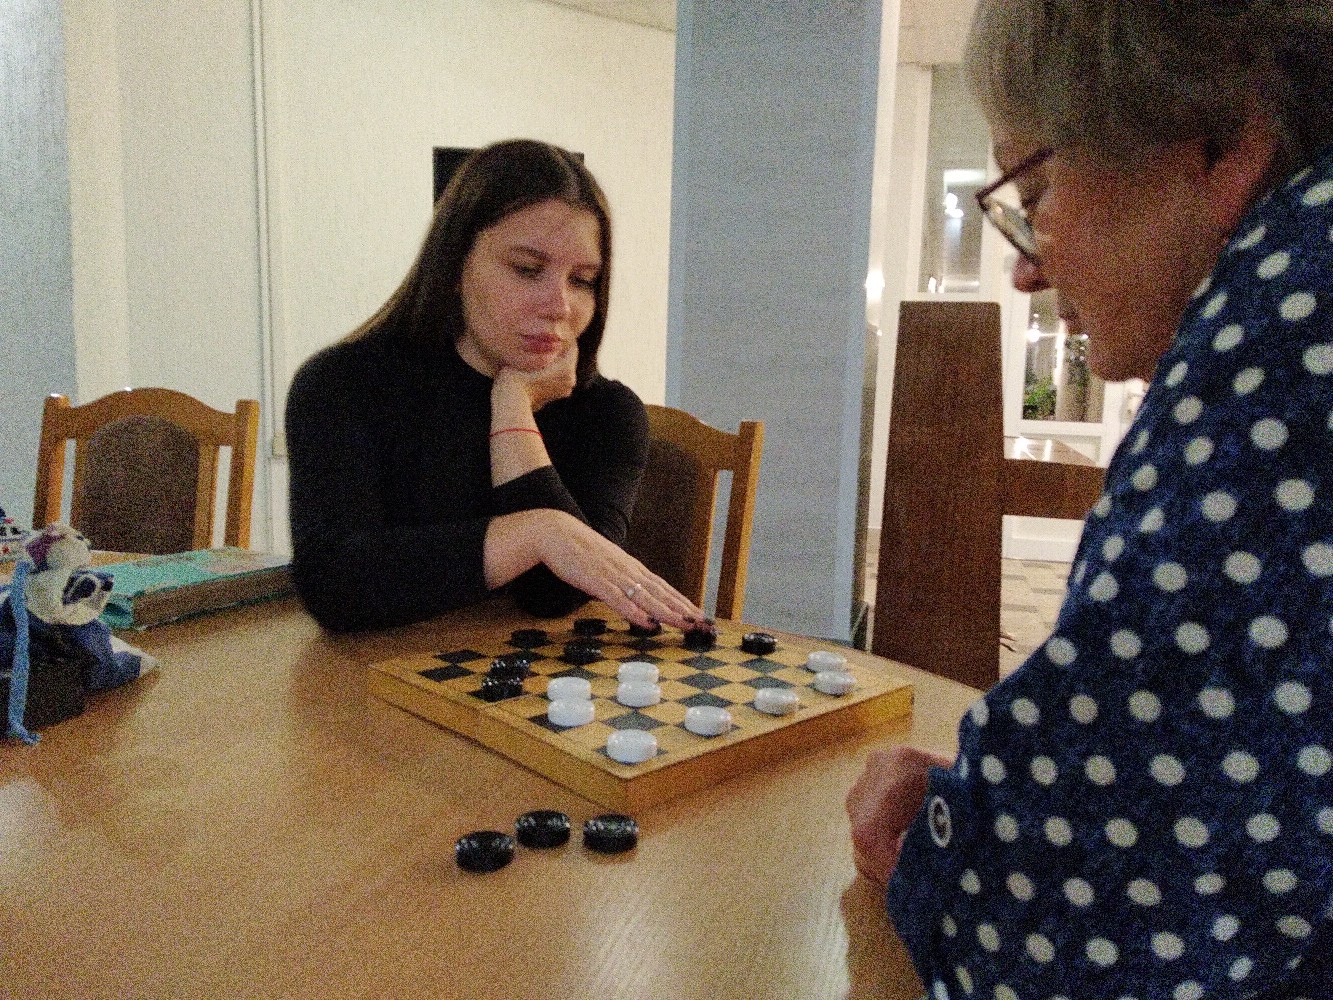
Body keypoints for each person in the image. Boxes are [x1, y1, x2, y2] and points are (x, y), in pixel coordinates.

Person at [847, 2, 1333, 996]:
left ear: (1220, 141)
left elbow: (1056, 938)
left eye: (1035, 188)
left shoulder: (1287, 350)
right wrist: (1005, 793)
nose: (1024, 265)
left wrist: (953, 845)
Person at [285, 139, 704, 633]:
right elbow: (336, 585)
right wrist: (538, 532)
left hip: (535, 673)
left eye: (582, 280)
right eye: (527, 269)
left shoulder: (608, 412)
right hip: (370, 667)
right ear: (454, 265)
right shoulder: (342, 384)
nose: (559, 306)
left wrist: (512, 407)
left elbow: (555, 594)